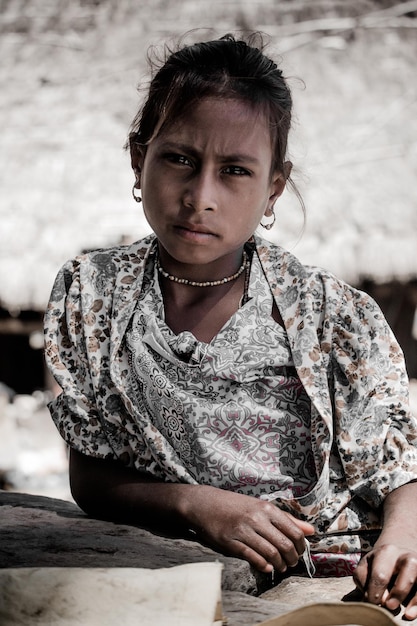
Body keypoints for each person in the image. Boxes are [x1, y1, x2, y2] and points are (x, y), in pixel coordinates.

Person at [44, 33, 417, 619]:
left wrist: (404, 542)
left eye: (236, 171)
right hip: (180, 577)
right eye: (180, 159)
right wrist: (196, 506)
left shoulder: (330, 314)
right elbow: (91, 475)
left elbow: (398, 466)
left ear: (273, 186)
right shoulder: (93, 295)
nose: (201, 197)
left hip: (334, 577)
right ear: (139, 157)